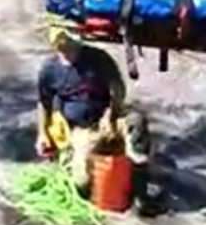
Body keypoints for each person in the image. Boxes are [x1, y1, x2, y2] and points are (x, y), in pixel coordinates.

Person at [35, 26, 151, 202]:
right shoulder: (49, 70)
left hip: (109, 118)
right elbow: (44, 103)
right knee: (81, 183)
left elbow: (117, 88)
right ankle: (85, 168)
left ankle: (141, 178)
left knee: (135, 121)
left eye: (70, 43)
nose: (67, 49)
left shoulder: (98, 58)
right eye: (61, 44)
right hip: (81, 130)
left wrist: (110, 114)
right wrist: (43, 135)